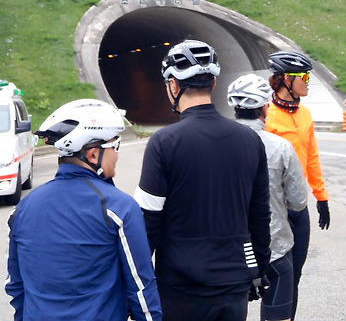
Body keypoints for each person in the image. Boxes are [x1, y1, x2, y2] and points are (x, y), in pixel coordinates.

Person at [136, 40, 271, 321]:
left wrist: (136, 286)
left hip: (180, 287)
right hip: (234, 284)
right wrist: (259, 269)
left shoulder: (163, 142)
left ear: (174, 85)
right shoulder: (250, 140)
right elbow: (259, 216)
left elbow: (147, 223)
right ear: (214, 82)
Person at [6, 99, 160, 321]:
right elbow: (141, 288)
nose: (117, 155)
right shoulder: (119, 208)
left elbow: (15, 284)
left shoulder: (22, 209)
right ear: (93, 154)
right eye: (115, 146)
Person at [227, 74, 309, 321]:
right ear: (265, 108)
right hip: (274, 248)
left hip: (229, 253)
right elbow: (298, 202)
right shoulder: (281, 147)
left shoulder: (216, 145)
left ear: (234, 108)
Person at [264, 50, 330, 319]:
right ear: (285, 80)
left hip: (298, 207)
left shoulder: (305, 115)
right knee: (277, 274)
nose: (308, 82)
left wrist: (321, 197)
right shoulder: (267, 116)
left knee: (295, 275)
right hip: (273, 209)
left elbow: (312, 157)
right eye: (305, 77)